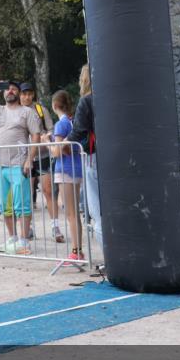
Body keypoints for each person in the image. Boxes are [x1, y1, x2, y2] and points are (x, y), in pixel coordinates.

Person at [0, 80, 42, 255]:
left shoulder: (27, 112)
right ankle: (12, 238)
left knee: (23, 205)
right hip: (1, 166)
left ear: (19, 94)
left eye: (14, 89)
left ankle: (24, 241)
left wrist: (30, 159)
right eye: (7, 89)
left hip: (19, 166)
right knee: (5, 205)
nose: (10, 91)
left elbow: (36, 136)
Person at [66, 64, 101, 248]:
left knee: (98, 212)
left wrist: (61, 144)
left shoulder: (87, 101)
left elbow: (78, 131)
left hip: (95, 157)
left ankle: (110, 261)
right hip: (119, 157)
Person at [20, 82, 59, 240]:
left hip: (42, 156)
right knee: (26, 194)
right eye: (24, 94)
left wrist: (46, 137)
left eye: (29, 94)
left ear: (33, 95)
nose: (27, 97)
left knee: (48, 191)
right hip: (24, 158)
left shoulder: (40, 110)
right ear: (20, 95)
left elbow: (51, 129)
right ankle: (28, 228)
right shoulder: (16, 111)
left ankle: (55, 227)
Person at [49, 90, 85, 261]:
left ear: (55, 105)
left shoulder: (60, 125)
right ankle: (78, 249)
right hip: (76, 168)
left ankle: (76, 251)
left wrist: (47, 143)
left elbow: (57, 152)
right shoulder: (72, 122)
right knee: (74, 212)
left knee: (71, 213)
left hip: (65, 170)